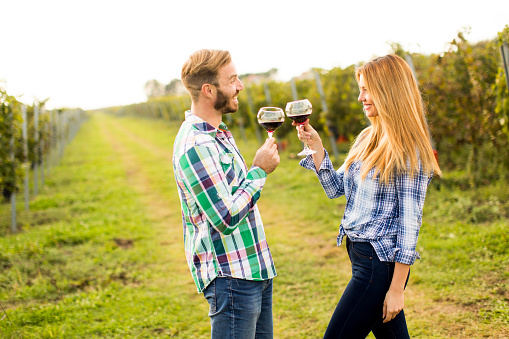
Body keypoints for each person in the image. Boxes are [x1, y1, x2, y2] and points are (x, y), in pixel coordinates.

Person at [294, 54, 442, 339]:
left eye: (366, 89)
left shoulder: (409, 150)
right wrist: (317, 149)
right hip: (360, 256)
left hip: (378, 267)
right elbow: (335, 188)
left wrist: (397, 290)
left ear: (389, 90)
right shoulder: (367, 138)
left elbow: (410, 226)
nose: (360, 97)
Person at [172, 49, 280, 339]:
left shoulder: (218, 134)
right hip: (231, 277)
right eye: (232, 80)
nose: (240, 86)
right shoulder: (196, 145)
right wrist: (259, 171)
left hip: (253, 269)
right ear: (209, 90)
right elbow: (225, 216)